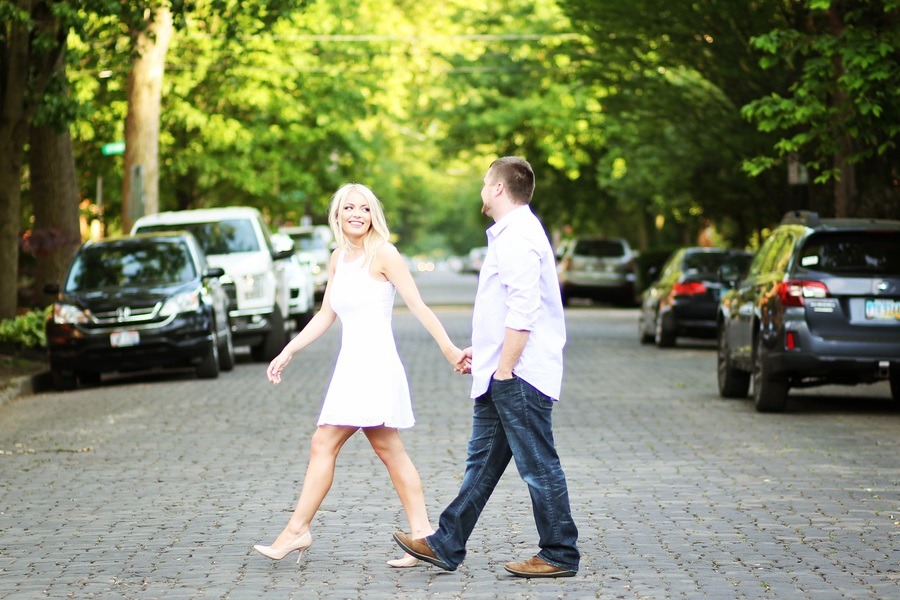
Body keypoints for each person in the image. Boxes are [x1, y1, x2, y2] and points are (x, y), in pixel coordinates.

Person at [254, 183, 466, 567]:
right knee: (389, 451)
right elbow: (325, 315)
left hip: (375, 367)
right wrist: (288, 350)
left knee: (325, 443)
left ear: (373, 215)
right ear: (337, 215)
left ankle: (297, 530)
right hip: (350, 368)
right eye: (348, 207)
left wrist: (449, 348)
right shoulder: (338, 258)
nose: (356, 214)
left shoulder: (384, 253)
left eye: (364, 208)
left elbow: (417, 305)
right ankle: (424, 539)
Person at [392, 156, 580, 578]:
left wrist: (505, 368)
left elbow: (524, 311)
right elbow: (508, 309)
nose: (481, 190)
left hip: (519, 376)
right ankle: (446, 544)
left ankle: (559, 554)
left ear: (498, 189)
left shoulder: (518, 237)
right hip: (505, 369)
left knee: (538, 465)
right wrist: (487, 351)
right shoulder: (513, 234)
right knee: (482, 466)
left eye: (483, 183)